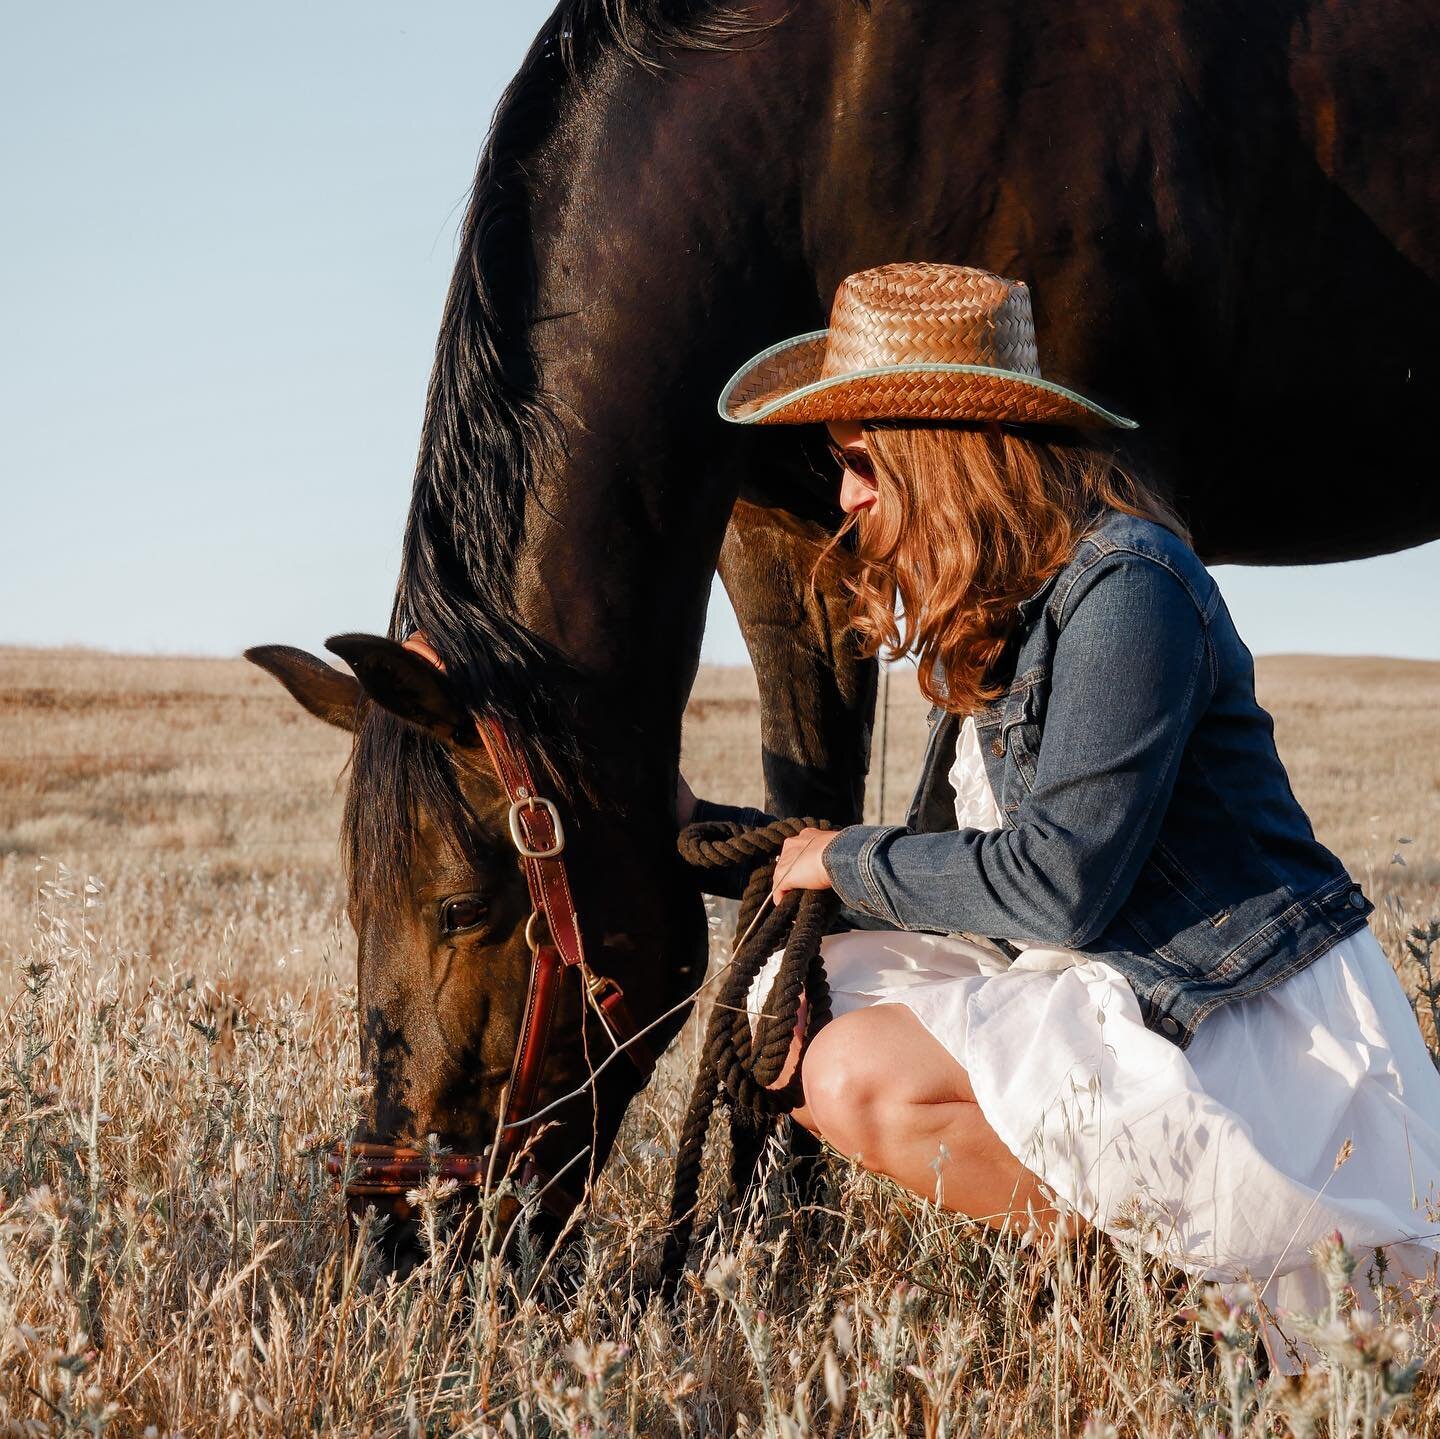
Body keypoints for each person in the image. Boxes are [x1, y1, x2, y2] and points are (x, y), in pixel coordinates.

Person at [679, 261, 1440, 1367]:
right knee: (790, 998)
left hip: (1237, 1015)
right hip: (1108, 974)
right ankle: (1141, 1276)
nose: (845, 498)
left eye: (859, 462)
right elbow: (953, 872)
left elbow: (1058, 882)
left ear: (940, 451)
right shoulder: (1001, 608)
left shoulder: (1129, 585)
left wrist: (841, 858)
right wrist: (717, 838)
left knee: (852, 1069)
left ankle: (1180, 1293)